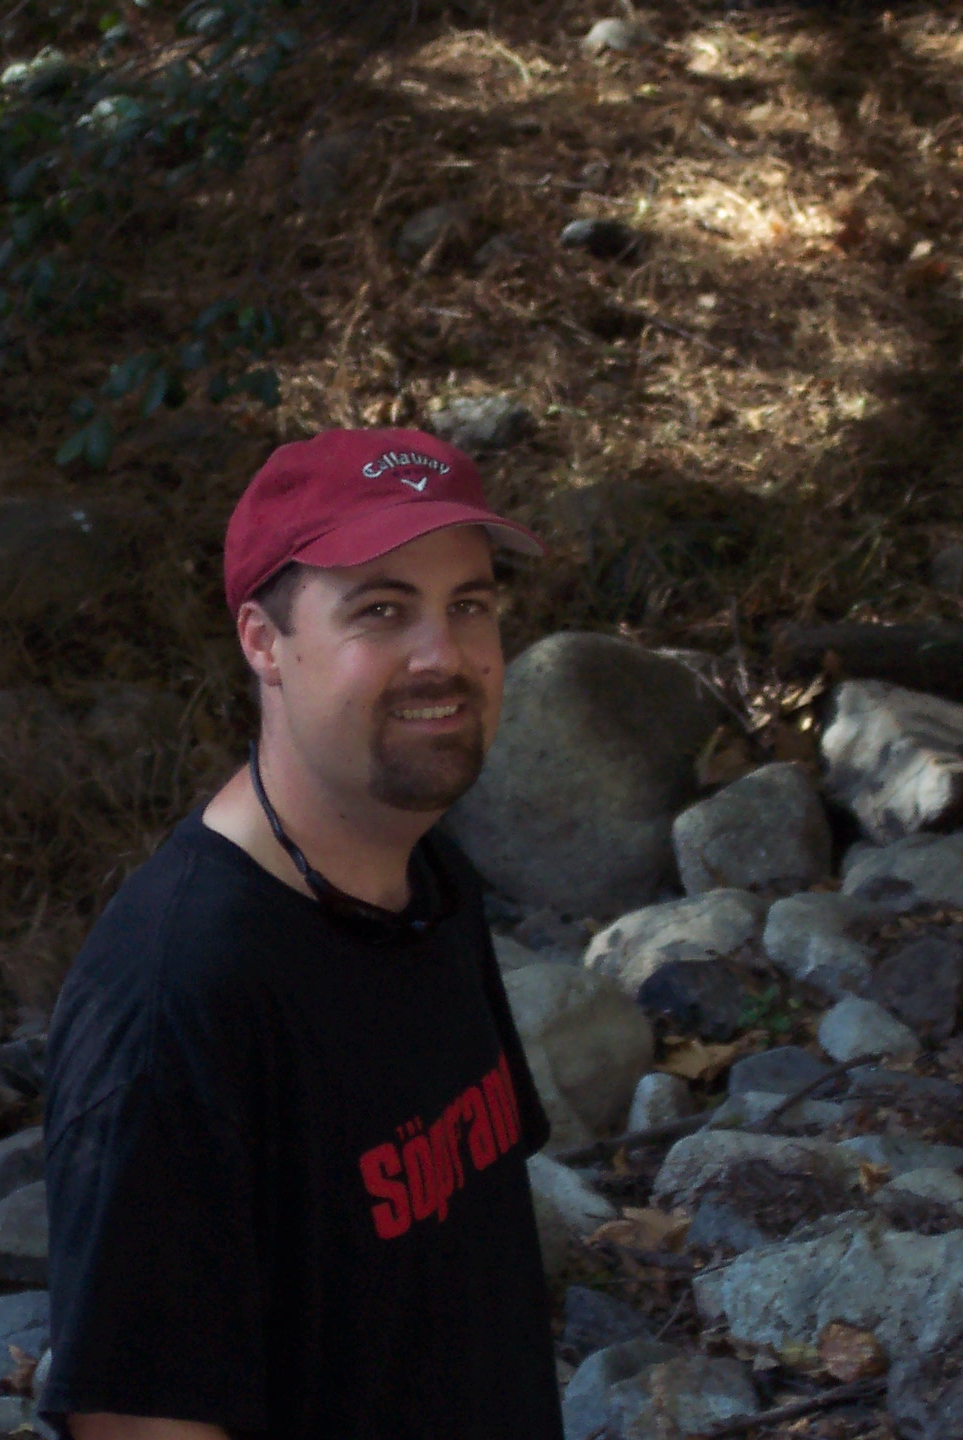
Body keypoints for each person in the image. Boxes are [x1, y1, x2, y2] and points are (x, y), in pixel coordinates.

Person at [37, 429, 567, 1440]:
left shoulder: (428, 880)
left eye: (470, 604)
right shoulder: (176, 998)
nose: (443, 656)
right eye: (381, 610)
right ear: (263, 642)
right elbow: (139, 1424)